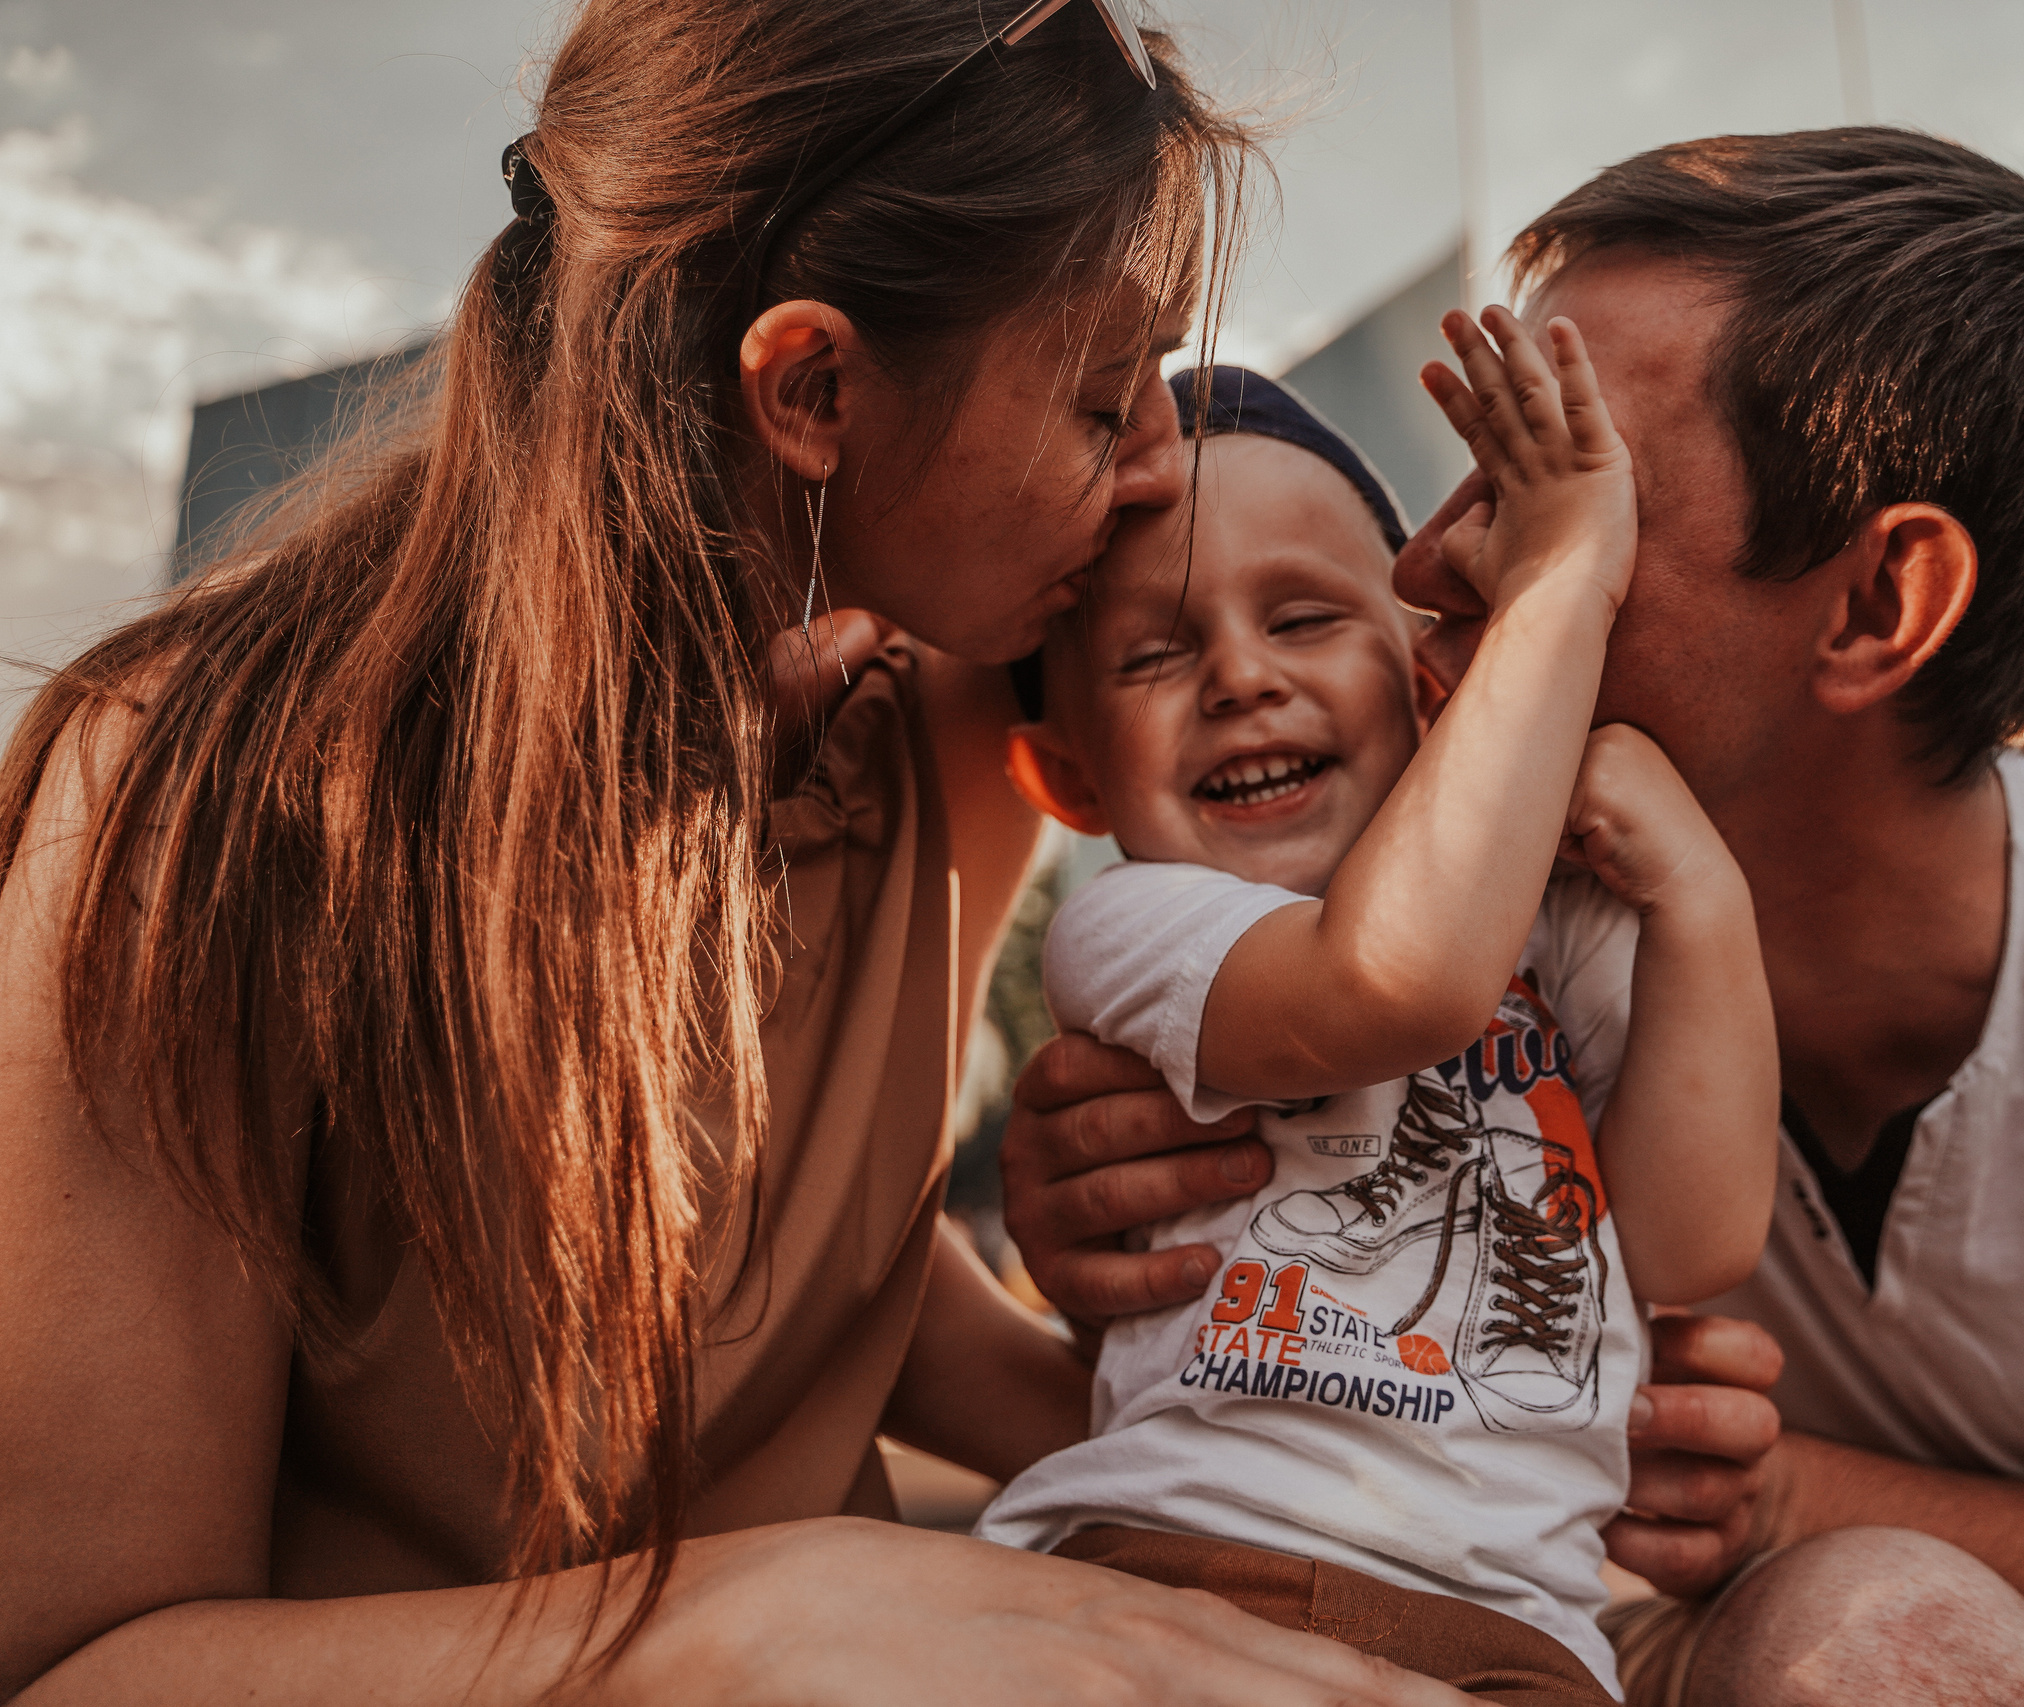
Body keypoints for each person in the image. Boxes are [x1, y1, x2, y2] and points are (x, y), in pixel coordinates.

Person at [0, 3, 1480, 1702]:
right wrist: (736, 1629)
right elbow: (80, 1660)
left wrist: (1380, 1452)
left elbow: (787, 1266)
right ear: (816, 389)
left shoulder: (942, 702)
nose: (1165, 465)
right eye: (1097, 398)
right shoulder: (190, 806)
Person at [1000, 129, 2024, 1705]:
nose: (1435, 563)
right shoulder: (1486, 914)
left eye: (1568, 495)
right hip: (1645, 1635)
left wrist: (1785, 1494)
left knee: (1873, 1632)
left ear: (1877, 606)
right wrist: (1114, 1186)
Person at [978, 350, 1777, 1701]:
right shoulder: (1135, 928)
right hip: (1176, 1565)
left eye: (1301, 619)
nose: (1240, 676)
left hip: (1514, 1631)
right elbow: (1388, 982)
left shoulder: (1558, 921)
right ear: (1069, 776)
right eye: (1158, 652)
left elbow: (1693, 1238)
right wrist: (1563, 579)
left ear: (1427, 689)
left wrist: (1705, 899)